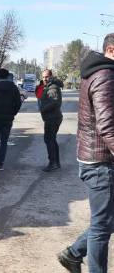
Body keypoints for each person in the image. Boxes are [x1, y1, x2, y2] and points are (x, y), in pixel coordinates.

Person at [58, 34, 114, 273]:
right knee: (101, 227)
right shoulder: (105, 76)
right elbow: (107, 125)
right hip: (100, 162)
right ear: (111, 49)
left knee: (106, 221)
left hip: (95, 157)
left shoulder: (97, 72)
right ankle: (76, 256)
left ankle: (73, 253)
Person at [39, 69, 63, 172]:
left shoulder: (52, 87)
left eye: (47, 77)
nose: (44, 79)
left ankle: (53, 163)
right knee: (51, 139)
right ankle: (56, 163)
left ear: (51, 76)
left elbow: (55, 102)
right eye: (43, 77)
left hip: (52, 118)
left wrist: (43, 109)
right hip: (51, 117)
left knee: (49, 140)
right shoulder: (49, 86)